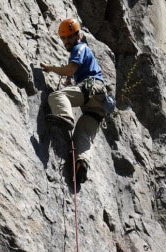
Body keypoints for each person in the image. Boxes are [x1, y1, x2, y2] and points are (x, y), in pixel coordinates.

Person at [41, 18, 107, 185]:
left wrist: (51, 68)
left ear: (78, 35)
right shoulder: (83, 50)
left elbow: (70, 70)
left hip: (92, 90)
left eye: (70, 37)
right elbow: (75, 74)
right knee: (82, 136)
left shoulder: (80, 47)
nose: (67, 41)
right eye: (64, 38)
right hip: (99, 105)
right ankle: (82, 164)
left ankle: (65, 117)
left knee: (56, 97)